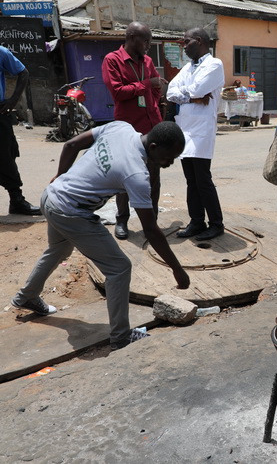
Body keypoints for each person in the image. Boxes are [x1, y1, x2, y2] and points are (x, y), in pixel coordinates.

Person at [11, 121, 190, 351]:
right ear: (153, 147)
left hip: (52, 196)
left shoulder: (121, 128)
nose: (170, 162)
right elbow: (151, 230)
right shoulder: (136, 173)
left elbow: (71, 145)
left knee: (58, 250)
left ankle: (27, 296)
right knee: (119, 268)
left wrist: (60, 176)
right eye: (169, 157)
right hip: (70, 212)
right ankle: (121, 337)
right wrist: (177, 269)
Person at [102, 21, 167, 240]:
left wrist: (154, 103)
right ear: (130, 38)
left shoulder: (147, 61)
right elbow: (118, 92)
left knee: (153, 176)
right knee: (125, 177)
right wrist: (148, 84)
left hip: (151, 126)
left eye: (150, 40)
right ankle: (122, 220)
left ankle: (152, 223)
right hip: (127, 129)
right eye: (145, 40)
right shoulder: (112, 60)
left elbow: (156, 89)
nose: (148, 45)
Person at [166, 28, 226, 241]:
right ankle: (197, 221)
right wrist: (191, 97)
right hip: (185, 128)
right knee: (191, 179)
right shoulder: (187, 68)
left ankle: (216, 224)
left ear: (198, 41)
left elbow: (198, 89)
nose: (184, 45)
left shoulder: (214, 65)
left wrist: (190, 94)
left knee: (202, 179)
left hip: (201, 130)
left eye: (186, 41)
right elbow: (171, 92)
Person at [0, 45, 41, 216]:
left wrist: (13, 100)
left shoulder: (1, 52)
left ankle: (16, 200)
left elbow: (23, 73)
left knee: (5, 156)